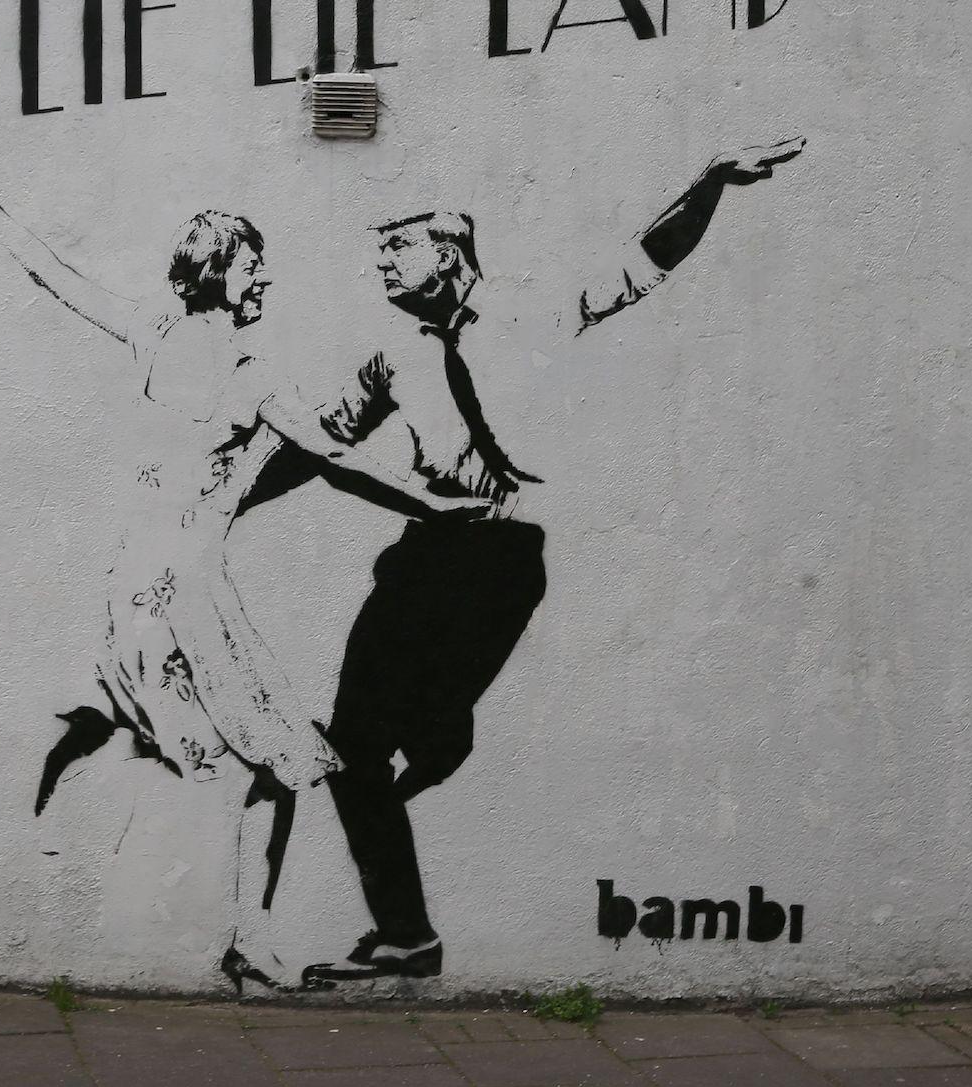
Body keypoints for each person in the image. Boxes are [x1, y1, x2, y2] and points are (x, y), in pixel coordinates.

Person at [0, 133, 486, 989]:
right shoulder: (249, 374)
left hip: (133, 587)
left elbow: (53, 271)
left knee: (244, 758)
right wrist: (434, 502)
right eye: (254, 266)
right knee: (285, 763)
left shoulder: (152, 331)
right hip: (187, 592)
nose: (263, 280)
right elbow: (340, 462)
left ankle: (108, 739)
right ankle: (243, 935)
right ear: (221, 271)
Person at [299, 137, 807, 986]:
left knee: (411, 734)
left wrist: (710, 181)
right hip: (422, 553)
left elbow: (647, 258)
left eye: (399, 243)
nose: (382, 261)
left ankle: (438, 736)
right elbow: (322, 440)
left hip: (498, 555)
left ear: (451, 249)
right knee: (348, 746)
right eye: (377, 248)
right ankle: (406, 934)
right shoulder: (396, 357)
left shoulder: (535, 308)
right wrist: (223, 493)